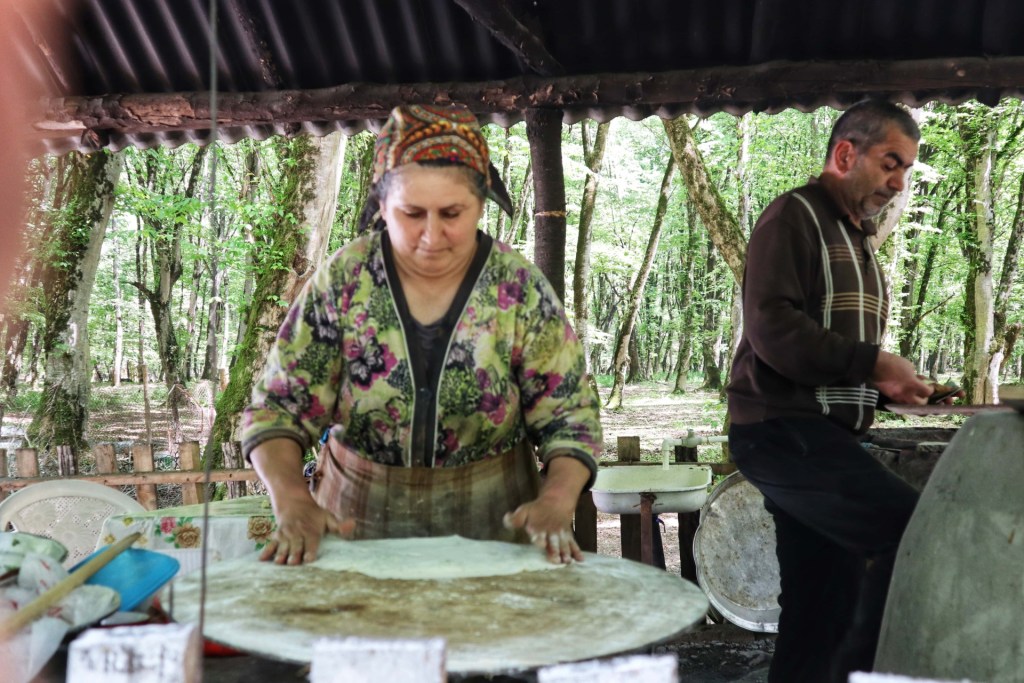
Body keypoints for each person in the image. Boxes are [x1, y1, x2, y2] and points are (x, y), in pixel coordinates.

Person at [243, 105, 602, 568]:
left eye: (453, 213)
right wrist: (292, 500)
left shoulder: (518, 287)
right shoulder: (346, 280)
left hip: (498, 524)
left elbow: (569, 415)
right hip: (355, 522)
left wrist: (556, 500)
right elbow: (279, 407)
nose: (432, 236)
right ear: (382, 206)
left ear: (482, 201)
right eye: (412, 213)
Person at [726, 100, 954, 682]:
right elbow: (772, 330)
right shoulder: (792, 216)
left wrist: (889, 391)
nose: (899, 181)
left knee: (818, 602)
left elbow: (834, 364)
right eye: (890, 162)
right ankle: (870, 675)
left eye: (906, 169)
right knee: (908, 531)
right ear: (846, 153)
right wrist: (876, 363)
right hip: (780, 431)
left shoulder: (857, 240)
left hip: (818, 433)